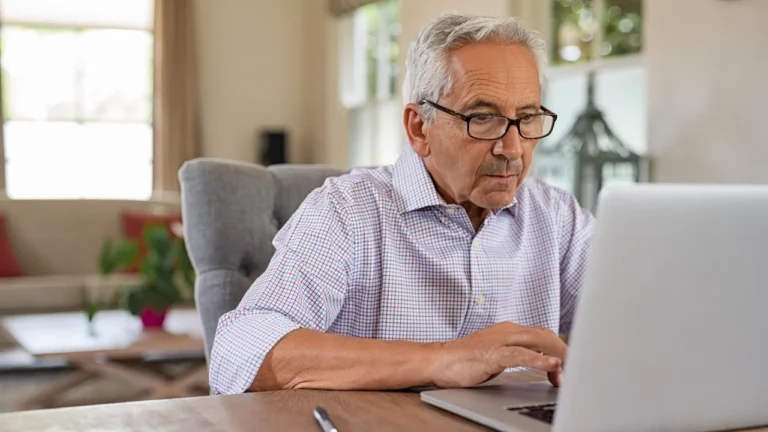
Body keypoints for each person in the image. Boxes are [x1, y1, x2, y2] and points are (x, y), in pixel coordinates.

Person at [209, 13, 595, 395]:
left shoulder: (558, 218)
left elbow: (640, 327)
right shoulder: (347, 210)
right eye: (483, 118)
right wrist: (443, 359)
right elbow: (239, 353)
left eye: (527, 118)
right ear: (418, 128)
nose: (512, 148)